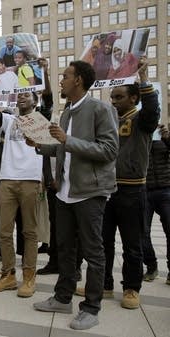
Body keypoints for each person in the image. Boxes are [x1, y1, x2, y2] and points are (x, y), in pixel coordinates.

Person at [30, 61, 118, 330]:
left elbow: (109, 150)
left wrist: (68, 140)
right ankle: (62, 297)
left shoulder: (101, 109)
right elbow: (61, 148)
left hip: (90, 192)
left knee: (93, 252)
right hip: (65, 192)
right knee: (65, 249)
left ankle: (91, 308)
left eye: (66, 76)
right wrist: (39, 145)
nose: (62, 81)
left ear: (78, 80)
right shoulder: (67, 112)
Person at [98, 61, 159, 309]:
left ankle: (132, 288)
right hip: (107, 189)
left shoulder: (142, 120)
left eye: (120, 97)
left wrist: (144, 78)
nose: (114, 101)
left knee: (132, 244)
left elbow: (153, 111)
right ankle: (105, 285)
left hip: (133, 189)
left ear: (134, 98)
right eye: (112, 97)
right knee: (104, 242)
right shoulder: (109, 120)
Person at [0, 91, 44, 298]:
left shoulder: (41, 119)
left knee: (29, 232)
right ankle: (8, 275)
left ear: (35, 101)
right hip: (7, 179)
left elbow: (49, 101)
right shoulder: (9, 120)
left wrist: (43, 74)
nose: (21, 97)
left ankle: (29, 276)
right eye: (19, 95)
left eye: (27, 95)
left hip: (30, 179)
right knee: (4, 231)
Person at [142, 124, 170, 285]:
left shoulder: (162, 135)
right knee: (142, 232)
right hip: (145, 191)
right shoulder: (140, 137)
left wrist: (166, 137)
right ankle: (151, 267)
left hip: (166, 190)